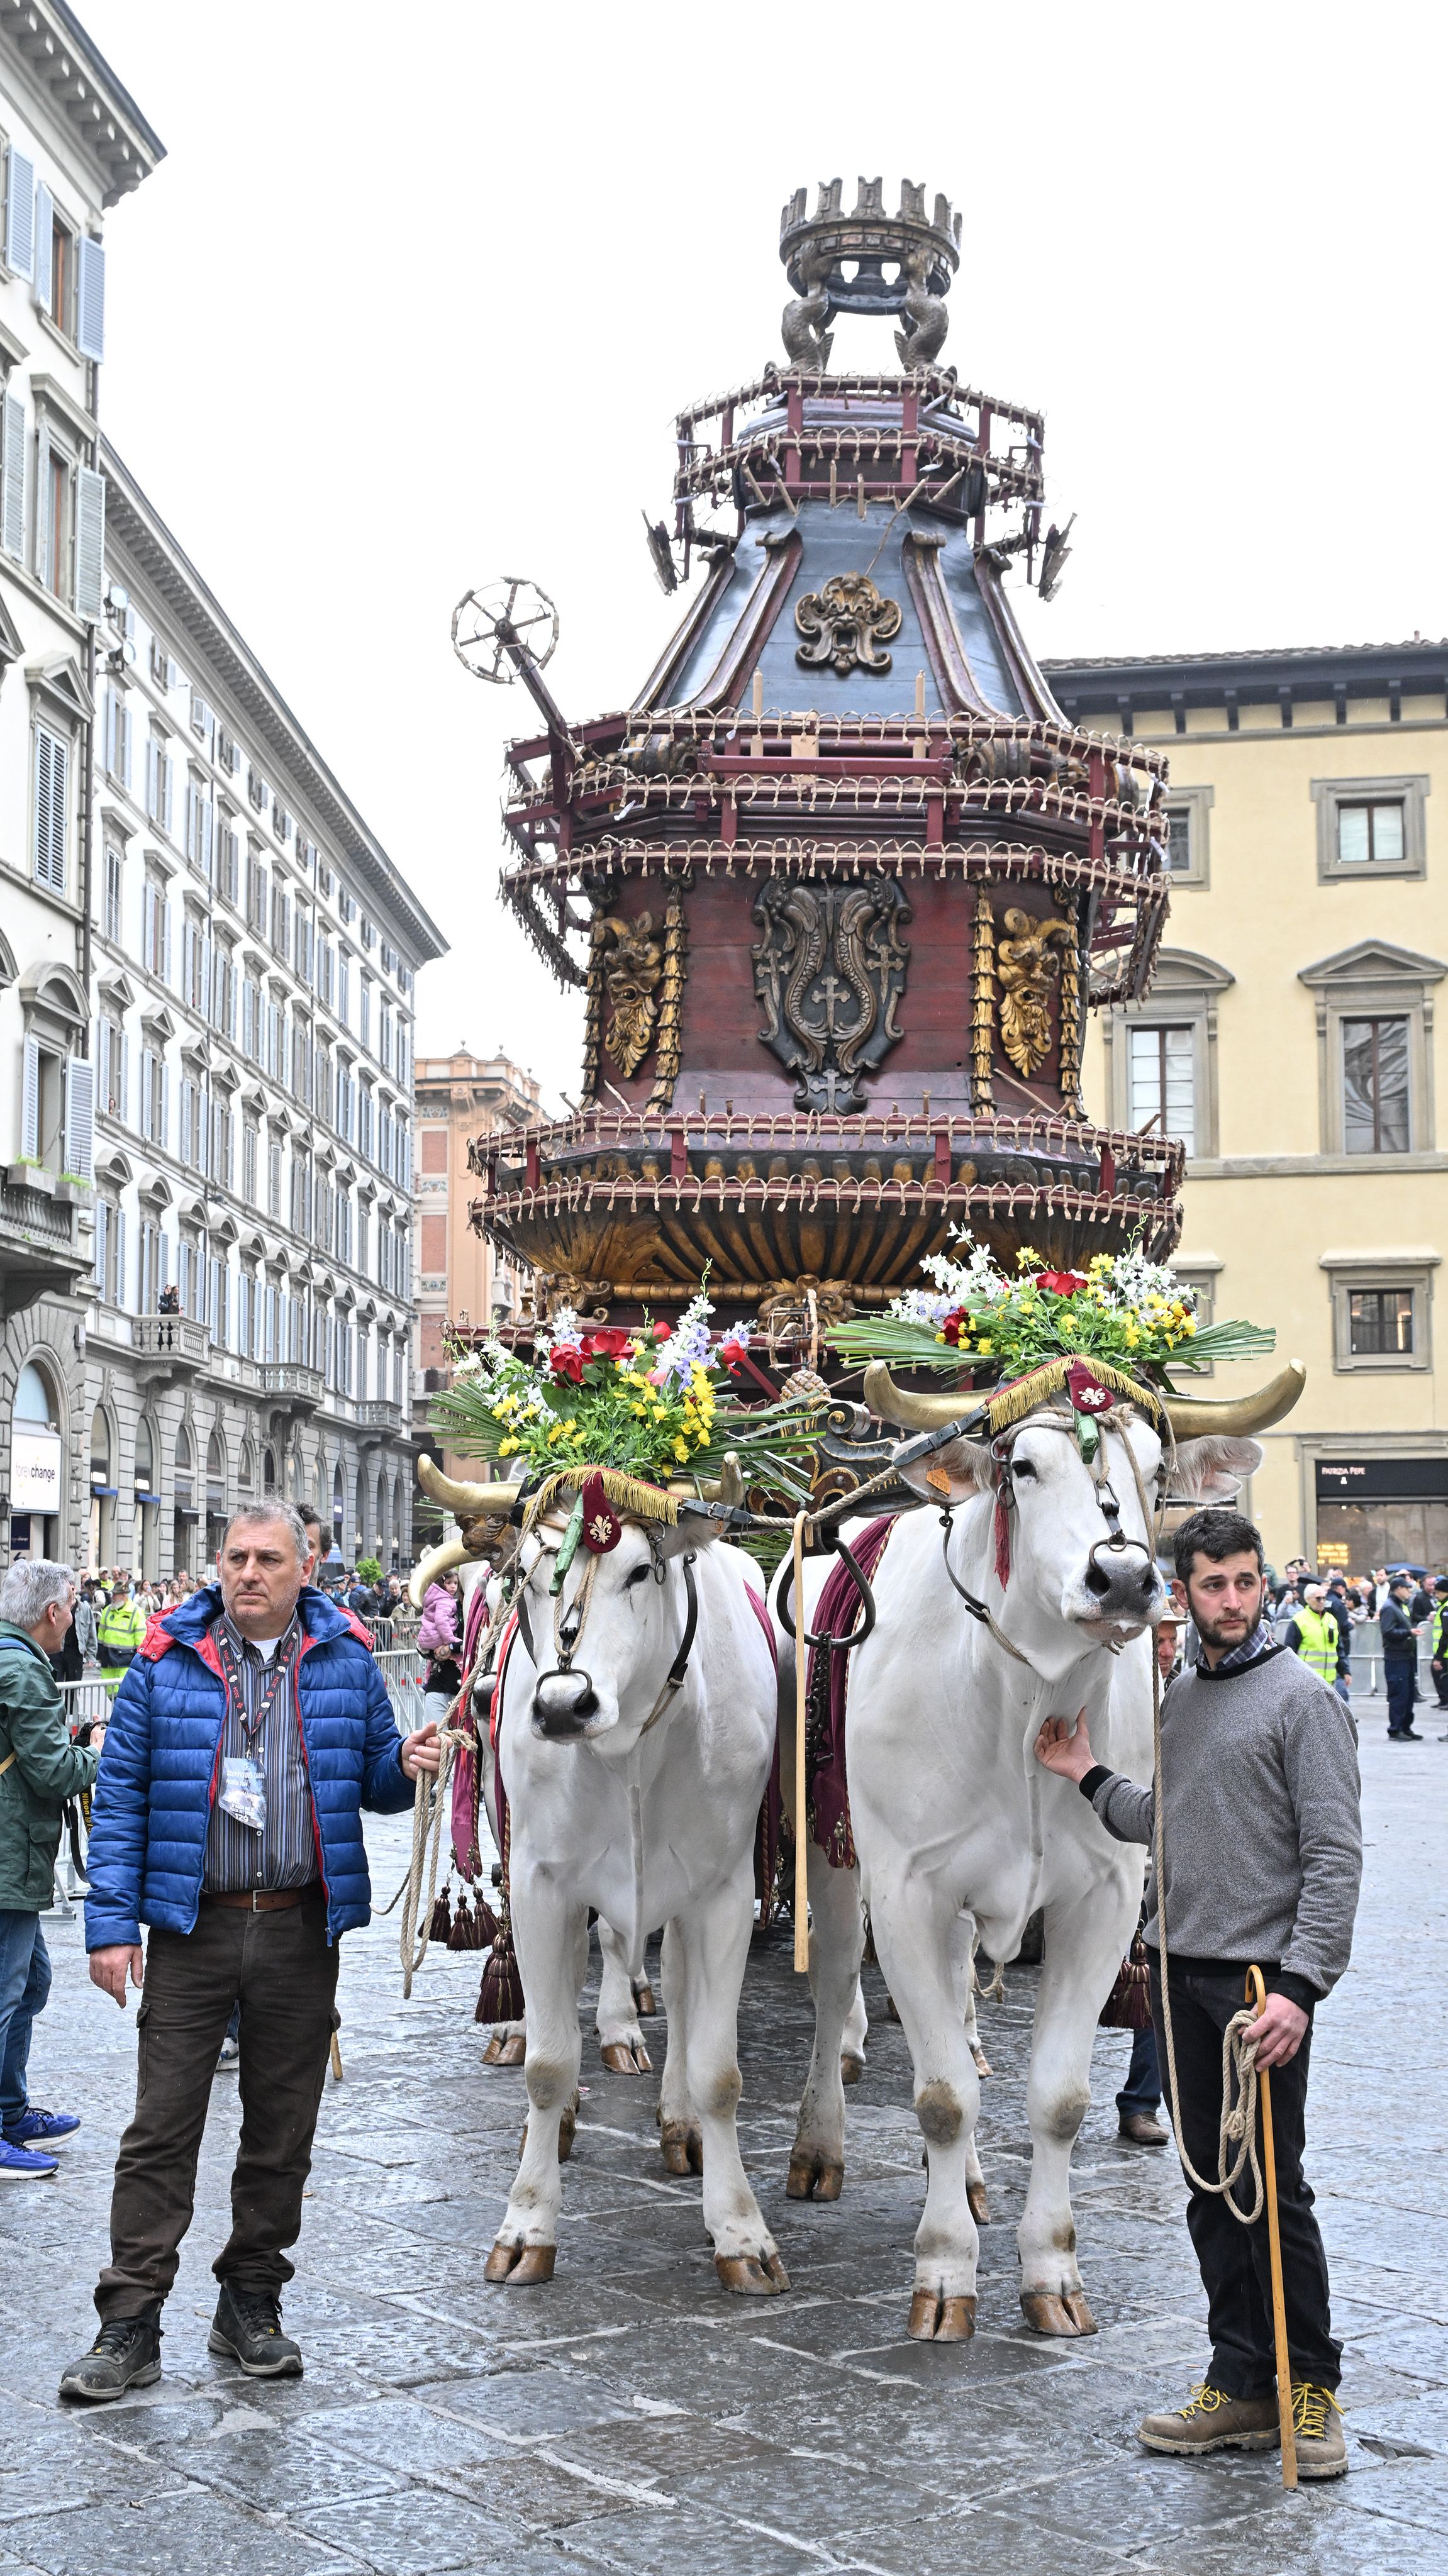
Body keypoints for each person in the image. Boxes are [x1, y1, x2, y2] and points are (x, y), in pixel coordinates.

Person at [59, 1501, 442, 2403]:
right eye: (235, 1558)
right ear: (218, 1565)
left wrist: (411, 1762)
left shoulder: (346, 1659)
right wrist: (112, 1927)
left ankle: (250, 2305)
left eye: (269, 1559)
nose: (248, 1574)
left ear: (306, 1568)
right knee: (161, 2128)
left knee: (281, 2129)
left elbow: (376, 1782)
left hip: (301, 1928)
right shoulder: (163, 1661)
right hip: (195, 1927)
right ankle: (129, 2322)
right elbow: (119, 1805)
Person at [1035, 1505, 1361, 2479]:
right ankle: (1240, 2378)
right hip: (1181, 1977)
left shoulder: (1303, 1703)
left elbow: (1334, 1860)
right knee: (1210, 2190)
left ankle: (1310, 2387)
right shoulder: (1179, 1695)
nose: (1230, 1600)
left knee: (1273, 2189)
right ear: (1184, 1592)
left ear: (1263, 1586)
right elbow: (1165, 1819)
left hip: (1259, 1986)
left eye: (1244, 1582)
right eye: (1212, 1584)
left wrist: (1299, 1990)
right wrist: (1084, 1772)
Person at [0, 1562, 105, 2178]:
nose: (74, 1613)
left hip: (15, 1852)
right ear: (52, 1613)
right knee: (9, 1994)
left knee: (30, 1984)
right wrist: (94, 1755)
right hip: (9, 1852)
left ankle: (11, 2110)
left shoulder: (11, 1658)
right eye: (72, 1604)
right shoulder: (23, 1669)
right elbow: (52, 1772)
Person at [1116, 1614, 1178, 2150]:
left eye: (1170, 1639)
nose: (1163, 1649)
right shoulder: (1113, 1689)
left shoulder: (1186, 1693)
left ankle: (1141, 2104)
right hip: (1110, 1850)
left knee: (1152, 1992)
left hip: (1160, 1866)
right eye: (1155, 1639)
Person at [1283, 1584, 1350, 1706]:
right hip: (1306, 1680)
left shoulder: (1331, 1620)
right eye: (1318, 1598)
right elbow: (1290, 1651)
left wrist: (1345, 1671)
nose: (1322, 1601)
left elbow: (1339, 1649)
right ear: (1308, 1600)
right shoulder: (1299, 1620)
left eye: (1324, 1598)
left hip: (1329, 1681)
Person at [1379, 1575, 1422, 1741]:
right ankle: (1396, 1729)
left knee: (1408, 1695)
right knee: (1399, 1695)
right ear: (1398, 1589)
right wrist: (1409, 1633)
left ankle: (1405, 1727)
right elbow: (1388, 1632)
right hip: (1396, 1658)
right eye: (1407, 1588)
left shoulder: (1400, 1607)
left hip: (1405, 1657)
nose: (1410, 1592)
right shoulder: (1390, 1608)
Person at [96, 1575, 145, 1701]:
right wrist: (100, 1655)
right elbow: (101, 1636)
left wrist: (138, 1661)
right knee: (112, 1696)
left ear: (124, 1595)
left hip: (126, 1661)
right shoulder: (107, 1611)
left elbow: (141, 1640)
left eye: (115, 1595)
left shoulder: (136, 1612)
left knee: (124, 1697)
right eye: (112, 1594)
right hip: (108, 1661)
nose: (112, 1597)